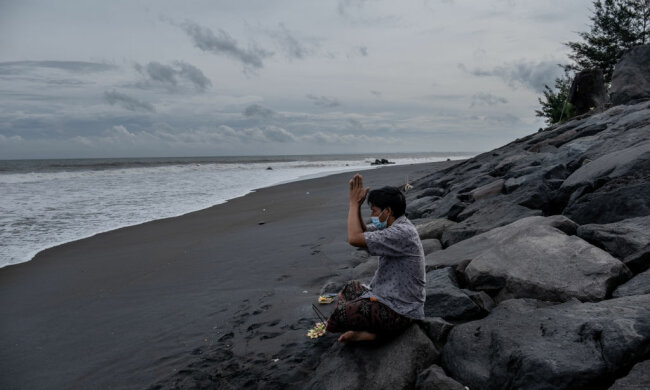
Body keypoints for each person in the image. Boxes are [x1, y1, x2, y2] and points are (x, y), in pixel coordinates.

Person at [325, 173, 426, 343]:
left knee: (341, 314)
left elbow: (354, 238)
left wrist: (351, 204)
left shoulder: (402, 233)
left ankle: (377, 335)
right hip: (386, 297)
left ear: (388, 211)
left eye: (374, 210)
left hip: (402, 310)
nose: (372, 214)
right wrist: (357, 206)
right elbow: (364, 233)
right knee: (351, 288)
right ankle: (372, 329)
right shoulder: (395, 225)